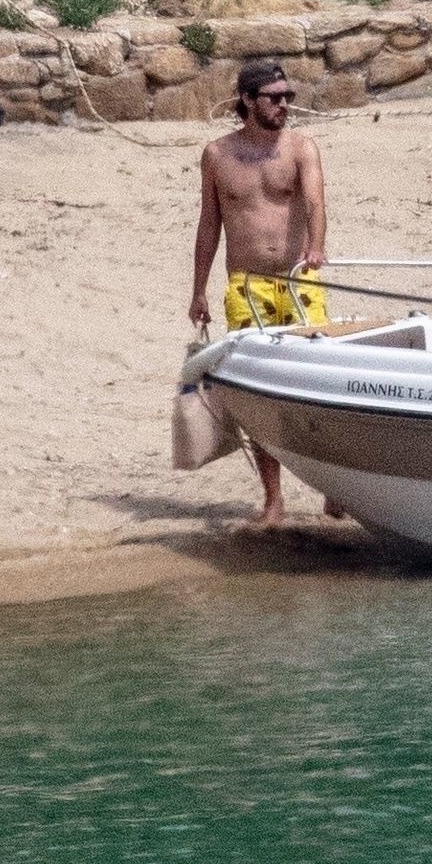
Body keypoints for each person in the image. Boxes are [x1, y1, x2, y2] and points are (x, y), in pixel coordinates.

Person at [188, 60, 331, 527]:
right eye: (274, 97)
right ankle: (274, 499)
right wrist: (198, 290)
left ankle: (334, 487)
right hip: (246, 284)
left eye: (288, 96)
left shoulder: (301, 148)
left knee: (319, 382)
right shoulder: (217, 155)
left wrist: (316, 246)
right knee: (258, 392)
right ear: (248, 100)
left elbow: (315, 202)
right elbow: (209, 224)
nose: (284, 104)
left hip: (298, 279)